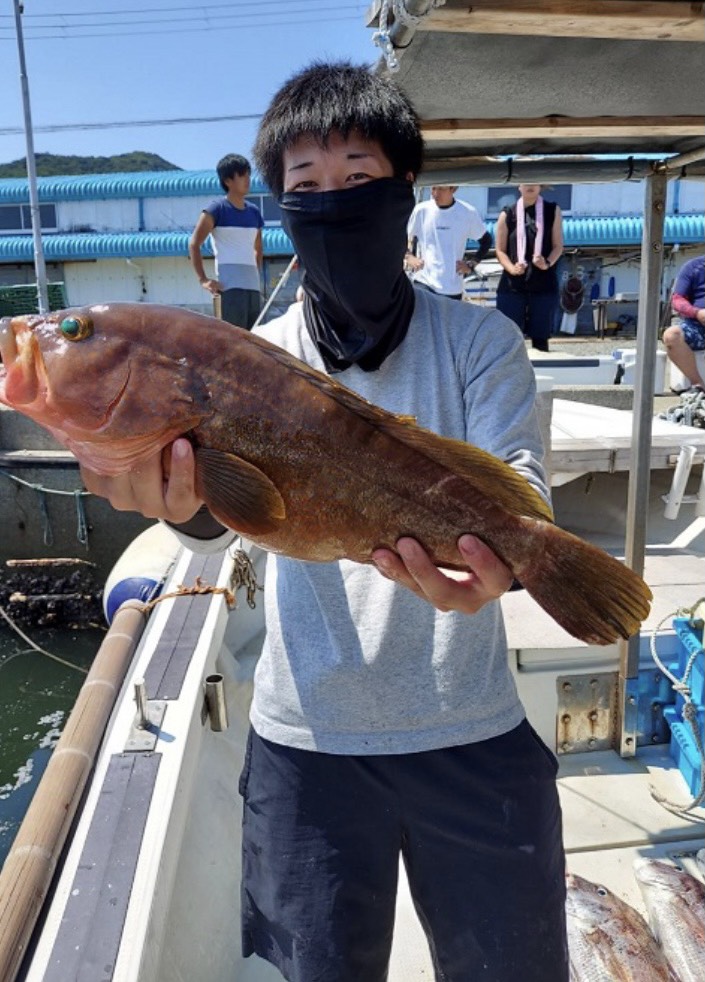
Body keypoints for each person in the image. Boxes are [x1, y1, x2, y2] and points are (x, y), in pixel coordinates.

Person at [82, 63, 568, 982]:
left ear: (405, 194)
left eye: (359, 178)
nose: (334, 202)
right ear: (278, 212)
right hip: (303, 749)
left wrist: (507, 555)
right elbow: (226, 519)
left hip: (473, 735)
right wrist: (179, 510)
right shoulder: (246, 360)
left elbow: (516, 486)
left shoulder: (479, 341)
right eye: (306, 188)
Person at [189, 153, 264, 329]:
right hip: (229, 289)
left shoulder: (254, 212)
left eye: (248, 174)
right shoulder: (216, 209)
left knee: (256, 341)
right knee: (233, 344)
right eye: (242, 175)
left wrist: (254, 275)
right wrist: (203, 280)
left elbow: (258, 249)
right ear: (228, 180)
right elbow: (194, 244)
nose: (247, 179)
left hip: (253, 289)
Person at [495, 184, 564, 351]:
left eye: (534, 182)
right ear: (519, 186)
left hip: (543, 283)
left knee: (540, 339)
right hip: (512, 285)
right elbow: (500, 250)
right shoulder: (507, 213)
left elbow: (558, 246)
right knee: (508, 337)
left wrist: (547, 262)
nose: (530, 186)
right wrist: (511, 268)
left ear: (541, 186)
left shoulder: (552, 210)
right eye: (526, 182)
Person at [405, 185, 492, 299]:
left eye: (441, 189)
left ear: (453, 189)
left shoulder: (468, 212)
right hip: (424, 281)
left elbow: (486, 241)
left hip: (452, 287)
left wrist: (471, 264)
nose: (435, 193)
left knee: (450, 317)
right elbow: (399, 236)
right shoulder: (421, 210)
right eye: (433, 188)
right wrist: (409, 257)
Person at [663, 254, 705, 393]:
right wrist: (697, 313)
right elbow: (677, 300)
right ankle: (698, 385)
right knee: (671, 336)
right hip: (698, 325)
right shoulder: (693, 267)